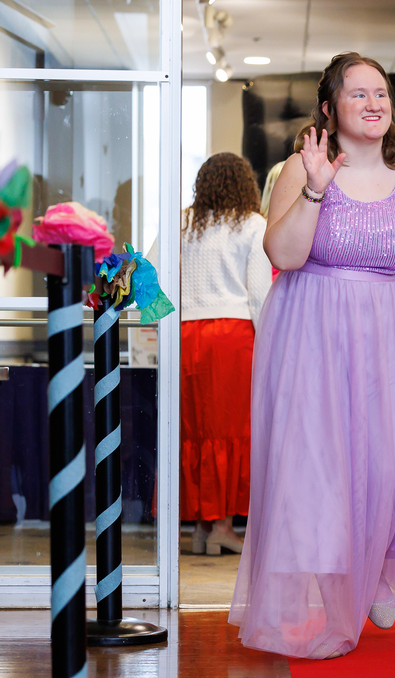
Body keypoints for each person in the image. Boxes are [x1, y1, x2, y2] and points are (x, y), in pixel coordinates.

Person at [229, 52, 395, 659]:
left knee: (392, 468)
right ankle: (336, 608)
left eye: (381, 93)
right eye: (358, 94)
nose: (374, 103)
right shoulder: (296, 170)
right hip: (312, 328)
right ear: (329, 107)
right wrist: (313, 189)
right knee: (322, 472)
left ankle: (374, 567)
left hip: (387, 333)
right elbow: (286, 254)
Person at [180, 152, 271, 556]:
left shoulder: (182, 222)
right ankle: (222, 526)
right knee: (232, 432)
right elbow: (260, 294)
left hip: (187, 335)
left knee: (195, 431)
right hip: (234, 337)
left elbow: (150, 275)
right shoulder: (252, 224)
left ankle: (201, 526)